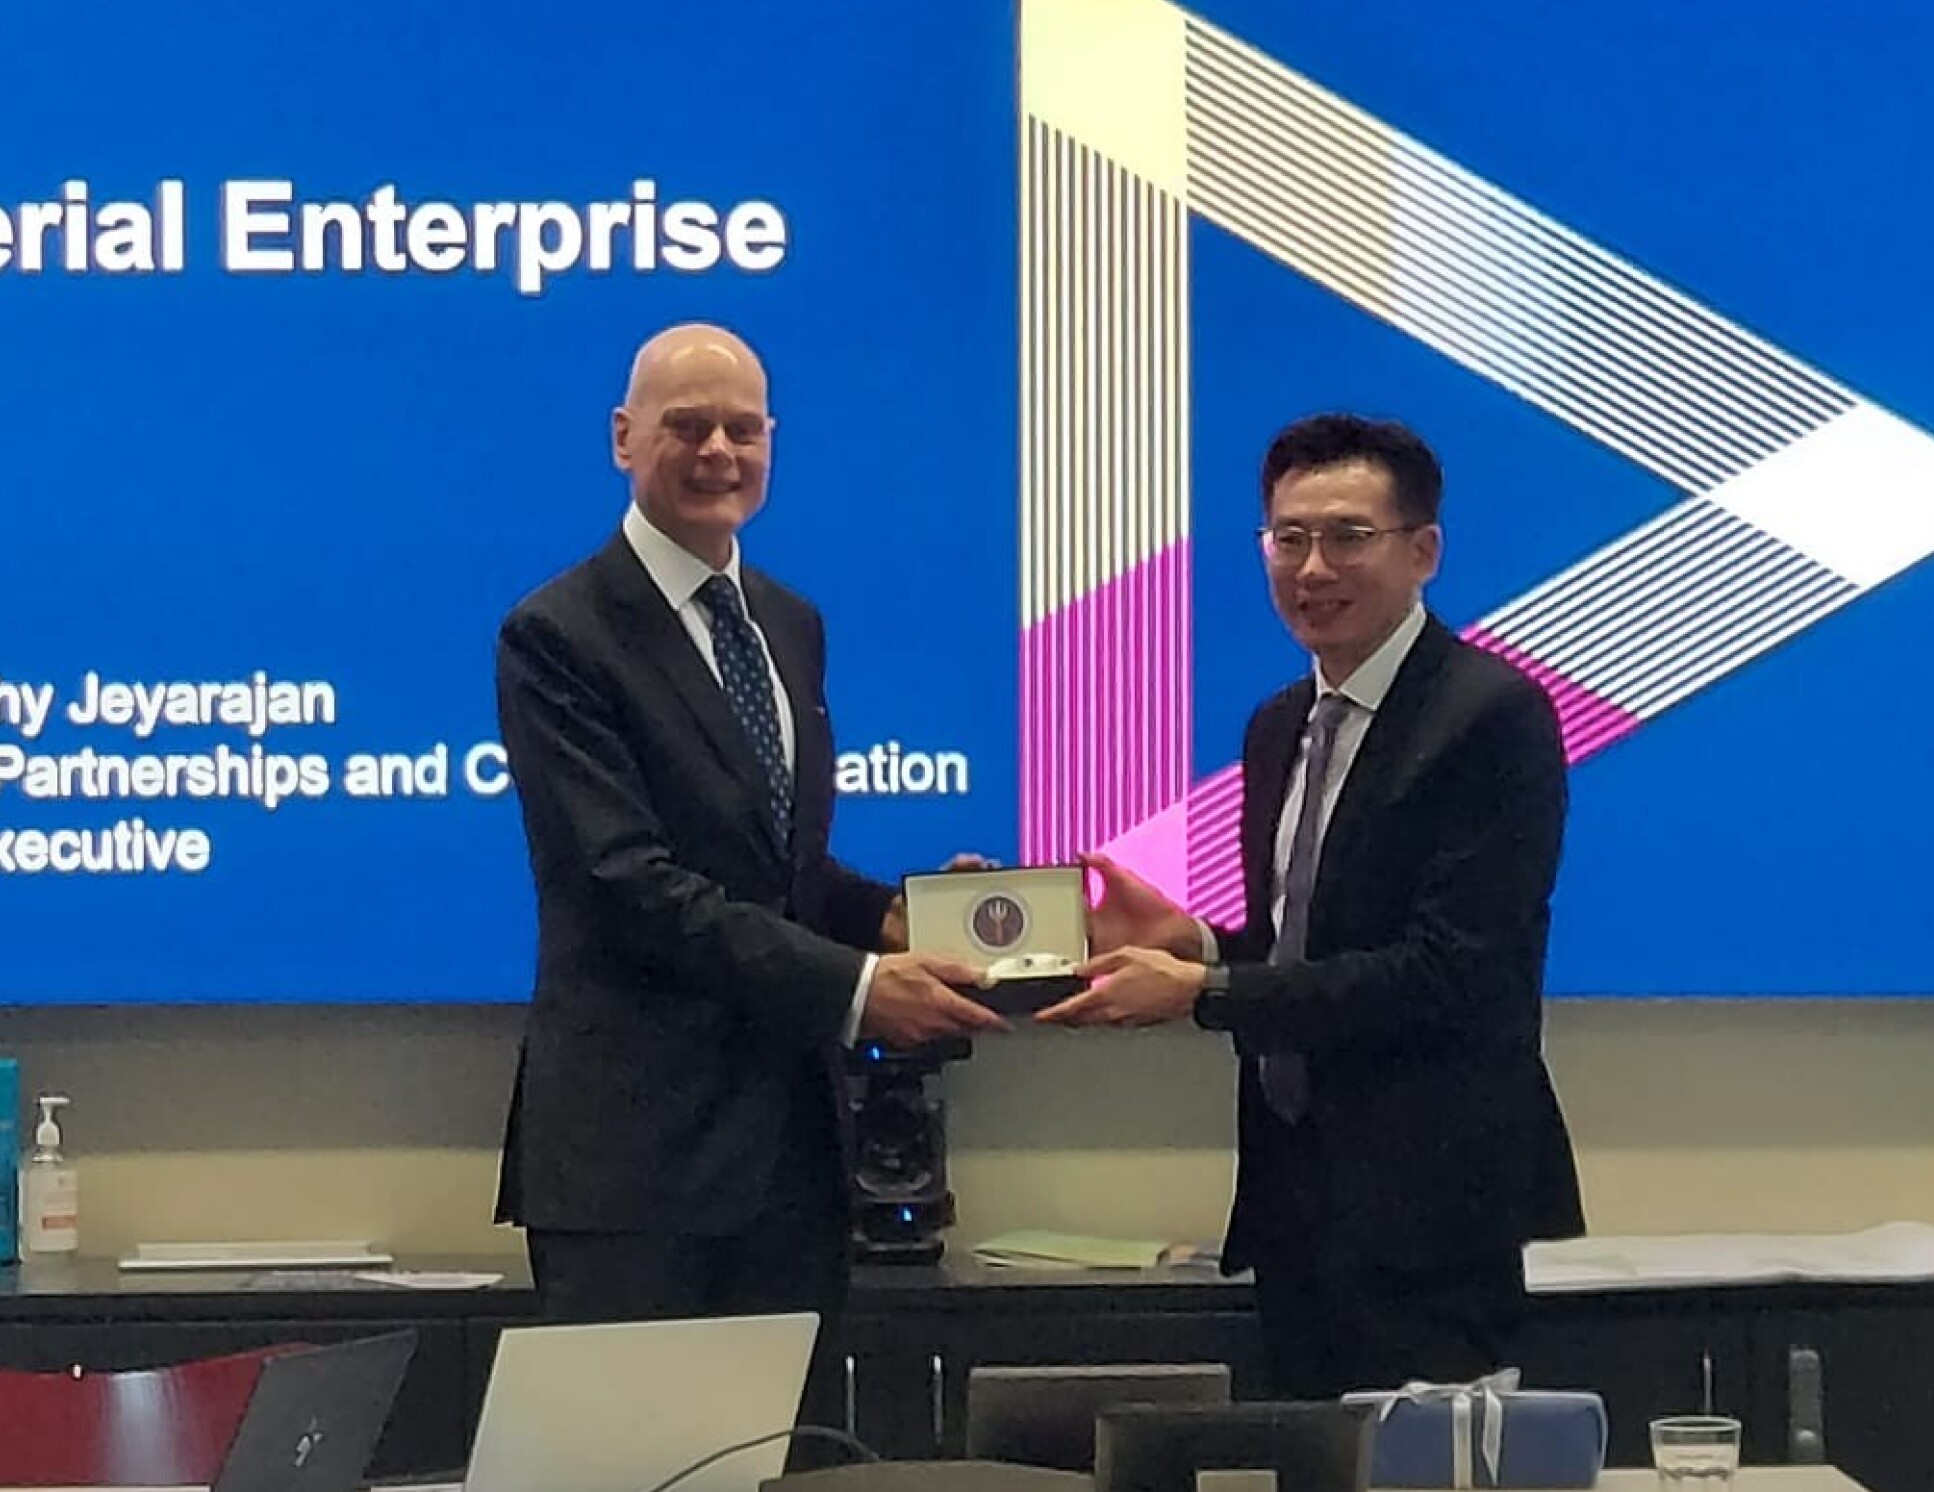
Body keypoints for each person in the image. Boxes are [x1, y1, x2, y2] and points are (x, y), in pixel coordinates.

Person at [1038, 413, 1584, 1397]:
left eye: (1347, 537)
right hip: (1294, 1205)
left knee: (1423, 1465)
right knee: (1301, 1458)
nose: (1312, 568)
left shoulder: (1491, 715)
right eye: (1287, 539)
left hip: (1433, 1216)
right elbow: (1311, 946)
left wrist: (1203, 991)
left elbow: (1449, 972)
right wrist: (1195, 942)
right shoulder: (1278, 724)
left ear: (1423, 551)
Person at [492, 322, 1003, 1336]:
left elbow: (777, 864)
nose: (718, 452)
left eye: (743, 429)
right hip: (635, 1169)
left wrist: (902, 919)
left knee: (786, 1434)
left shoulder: (788, 621)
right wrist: (859, 988)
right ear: (623, 437)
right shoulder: (557, 633)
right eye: (688, 426)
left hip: (790, 1159)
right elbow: (626, 883)